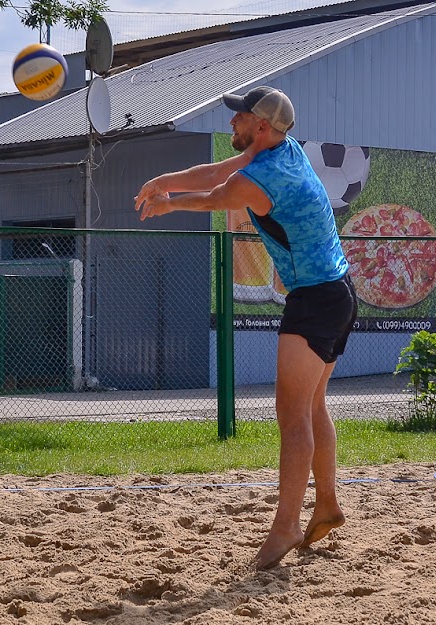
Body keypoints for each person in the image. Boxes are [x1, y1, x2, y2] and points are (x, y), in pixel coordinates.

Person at [134, 86, 357, 569]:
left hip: (314, 299)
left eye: (239, 118)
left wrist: (169, 201)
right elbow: (217, 172)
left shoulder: (261, 178)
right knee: (313, 406)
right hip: (339, 291)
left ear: (260, 126)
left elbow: (218, 193)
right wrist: (162, 181)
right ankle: (327, 505)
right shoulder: (287, 148)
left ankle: (285, 528)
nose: (231, 123)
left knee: (293, 417)